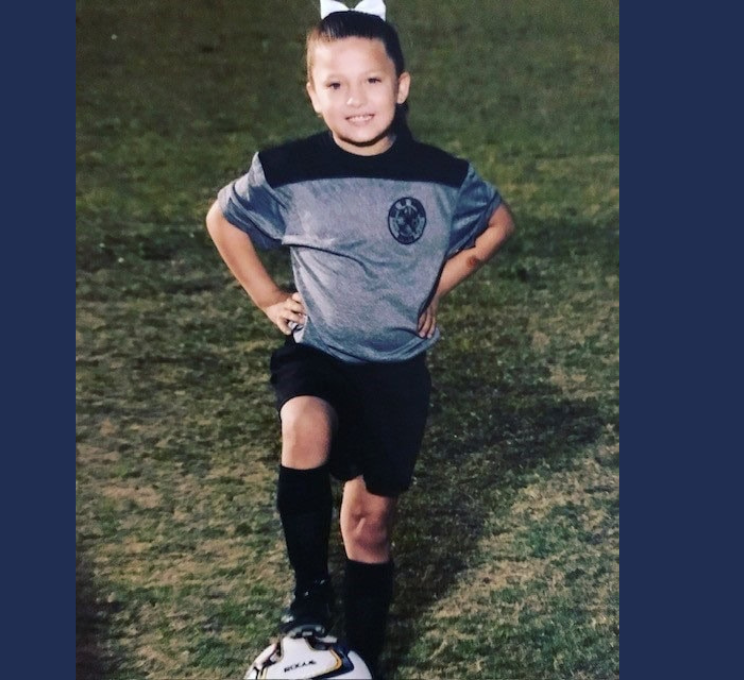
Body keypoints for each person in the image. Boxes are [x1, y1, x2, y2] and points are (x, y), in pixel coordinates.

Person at [205, 1, 515, 675]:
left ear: (401, 86)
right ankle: (309, 598)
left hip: (395, 370)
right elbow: (223, 220)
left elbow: (496, 221)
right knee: (302, 429)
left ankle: (361, 659)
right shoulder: (286, 170)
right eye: (335, 84)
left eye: (371, 81)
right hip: (318, 350)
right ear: (312, 93)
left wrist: (443, 279)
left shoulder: (440, 176)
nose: (355, 100)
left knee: (368, 527)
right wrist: (266, 295)